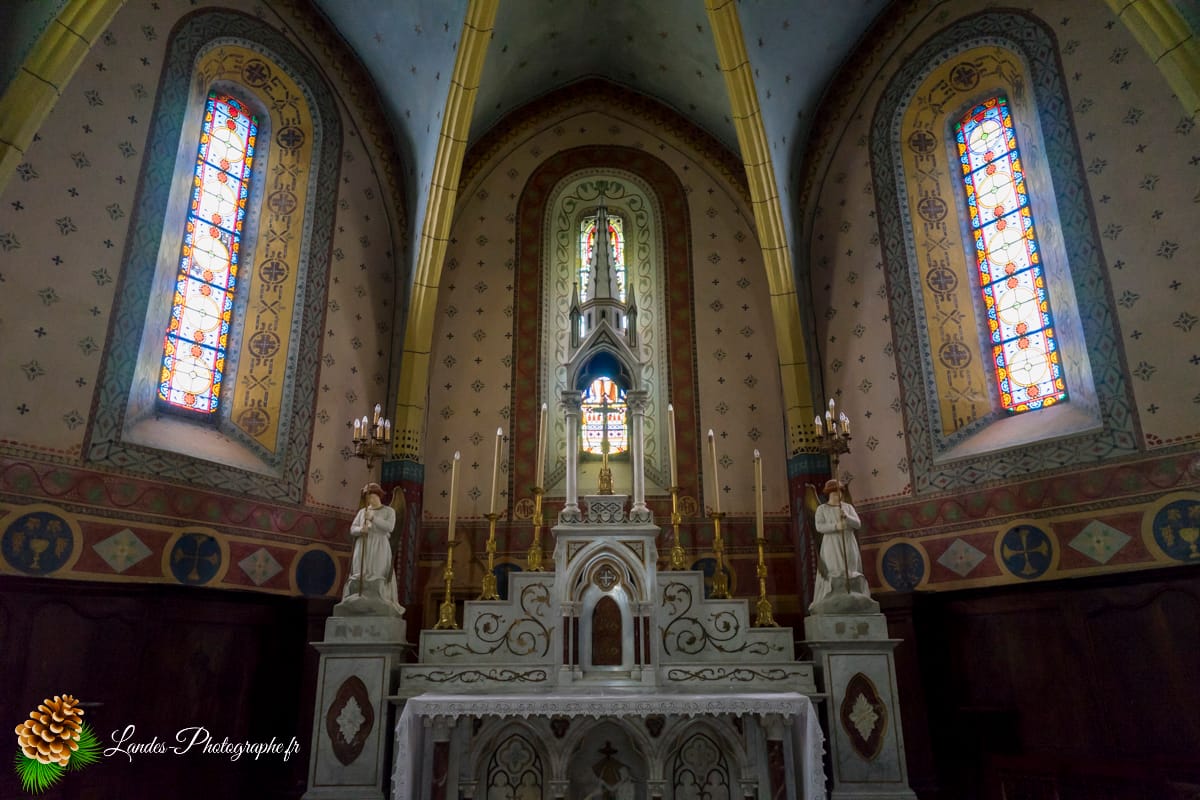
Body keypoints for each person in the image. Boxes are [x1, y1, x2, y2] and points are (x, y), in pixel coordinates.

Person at [809, 478, 875, 613]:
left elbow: (857, 524)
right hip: (831, 543)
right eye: (834, 493)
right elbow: (819, 527)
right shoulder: (822, 509)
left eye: (839, 493)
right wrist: (835, 526)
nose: (837, 496)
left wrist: (847, 517)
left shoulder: (847, 507)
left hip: (848, 541)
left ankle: (852, 593)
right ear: (829, 494)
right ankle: (833, 595)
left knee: (849, 568)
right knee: (835, 569)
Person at [341, 482, 404, 616]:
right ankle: (358, 598)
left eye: (373, 496)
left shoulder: (389, 511)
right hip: (364, 543)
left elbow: (389, 527)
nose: (371, 500)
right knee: (361, 572)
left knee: (377, 572)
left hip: (380, 544)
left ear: (379, 496)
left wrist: (373, 518)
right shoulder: (362, 512)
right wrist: (360, 530)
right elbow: (352, 529)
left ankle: (380, 599)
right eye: (368, 497)